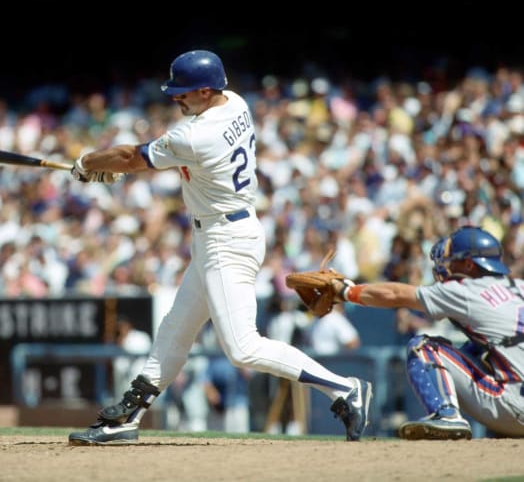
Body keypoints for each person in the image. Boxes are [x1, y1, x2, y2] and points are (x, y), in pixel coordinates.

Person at [67, 49, 372, 445]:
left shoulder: (196, 133)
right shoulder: (237, 103)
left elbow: (131, 156)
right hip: (224, 231)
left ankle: (344, 389)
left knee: (243, 348)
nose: (176, 99)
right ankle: (128, 417)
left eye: (184, 93)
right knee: (175, 330)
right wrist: (116, 167)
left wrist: (88, 163)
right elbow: (154, 161)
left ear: (208, 91)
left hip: (225, 240)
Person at [331, 225, 524, 440]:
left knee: (424, 347)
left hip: (515, 405)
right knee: (475, 350)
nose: (446, 266)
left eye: (453, 260)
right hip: (516, 394)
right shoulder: (518, 286)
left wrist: (347, 291)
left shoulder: (466, 289)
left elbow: (395, 294)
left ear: (469, 264)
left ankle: (447, 414)